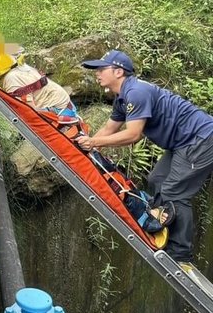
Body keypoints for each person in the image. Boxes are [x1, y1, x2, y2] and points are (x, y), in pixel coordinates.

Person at [79, 50, 213, 265]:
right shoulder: (122, 99)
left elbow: (133, 134)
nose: (97, 73)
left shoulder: (136, 92)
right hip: (182, 143)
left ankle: (180, 256)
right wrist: (86, 149)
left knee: (174, 192)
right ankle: (162, 228)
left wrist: (94, 143)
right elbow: (109, 128)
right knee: (156, 181)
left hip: (201, 139)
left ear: (118, 71)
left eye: (101, 69)